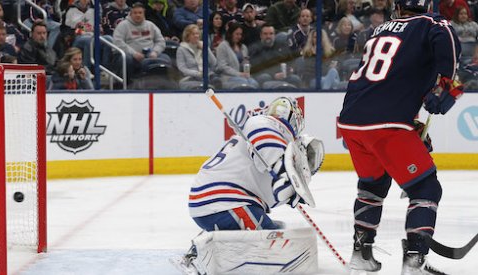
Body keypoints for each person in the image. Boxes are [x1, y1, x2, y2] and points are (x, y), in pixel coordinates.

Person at [337, 0, 463, 274]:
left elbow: (385, 80)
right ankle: (414, 261)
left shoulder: (381, 29)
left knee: (373, 185)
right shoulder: (430, 23)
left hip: (351, 122)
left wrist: (411, 124)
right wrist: (447, 82)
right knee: (425, 189)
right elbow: (446, 36)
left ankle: (361, 255)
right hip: (387, 124)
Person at [189, 97, 307, 231]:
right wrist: (285, 176)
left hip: (213, 203)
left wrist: (289, 191)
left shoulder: (256, 141)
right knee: (272, 240)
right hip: (226, 203)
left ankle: (213, 243)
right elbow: (259, 127)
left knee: (274, 227)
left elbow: (268, 192)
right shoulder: (265, 126)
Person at [113, 2, 171, 78]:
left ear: (144, 14)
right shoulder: (123, 25)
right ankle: (126, 84)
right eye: (135, 13)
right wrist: (134, 53)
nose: (138, 15)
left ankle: (161, 85)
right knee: (127, 59)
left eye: (140, 13)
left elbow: (160, 41)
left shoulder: (150, 25)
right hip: (131, 56)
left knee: (165, 58)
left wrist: (155, 52)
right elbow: (118, 42)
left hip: (150, 55)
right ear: (130, 14)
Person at [215, 22, 259, 89]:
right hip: (228, 77)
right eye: (237, 34)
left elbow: (246, 63)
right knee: (244, 83)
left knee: (255, 83)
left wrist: (247, 66)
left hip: (244, 76)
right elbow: (222, 66)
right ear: (230, 34)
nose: (239, 36)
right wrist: (239, 74)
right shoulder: (222, 46)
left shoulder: (243, 47)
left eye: (240, 34)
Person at [176, 24, 218, 89]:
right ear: (187, 36)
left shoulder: (203, 46)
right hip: (190, 79)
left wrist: (205, 50)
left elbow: (214, 63)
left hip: (208, 77)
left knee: (218, 81)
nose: (196, 36)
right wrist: (198, 74)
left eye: (197, 34)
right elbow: (182, 68)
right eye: (193, 34)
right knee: (201, 87)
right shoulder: (181, 49)